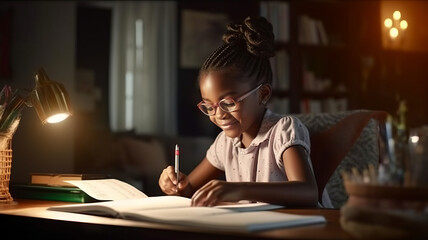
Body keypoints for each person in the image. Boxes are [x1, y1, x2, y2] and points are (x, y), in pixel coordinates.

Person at [159, 16, 323, 207]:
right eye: (209, 106)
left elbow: (308, 192)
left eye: (228, 103)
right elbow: (190, 191)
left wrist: (240, 189)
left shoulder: (283, 130)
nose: (218, 115)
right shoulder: (225, 143)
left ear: (263, 94)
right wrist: (176, 185)